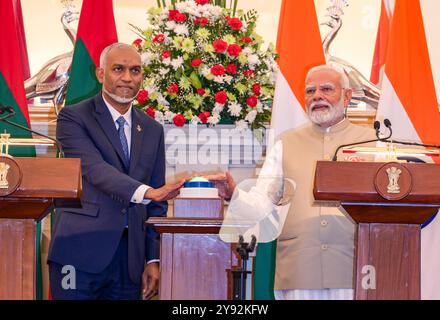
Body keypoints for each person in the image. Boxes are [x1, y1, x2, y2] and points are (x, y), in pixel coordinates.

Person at [208, 65, 376, 300]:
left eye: (327, 89)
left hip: (356, 266)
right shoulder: (285, 143)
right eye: (310, 91)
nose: (317, 95)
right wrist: (234, 194)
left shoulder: (371, 143)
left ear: (347, 96)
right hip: (299, 268)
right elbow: (262, 201)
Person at [48, 43, 184, 300]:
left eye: (135, 71)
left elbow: (157, 207)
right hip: (80, 252)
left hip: (130, 262)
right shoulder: (74, 118)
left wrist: (153, 258)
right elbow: (94, 169)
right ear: (101, 74)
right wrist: (148, 192)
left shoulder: (152, 129)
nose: (127, 78)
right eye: (118, 69)